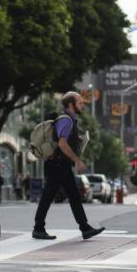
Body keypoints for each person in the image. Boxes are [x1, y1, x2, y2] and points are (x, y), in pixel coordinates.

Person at [31, 92, 105, 241]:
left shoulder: (70, 120)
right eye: (80, 103)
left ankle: (85, 228)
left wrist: (77, 140)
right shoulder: (66, 120)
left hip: (62, 164)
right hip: (57, 164)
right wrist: (77, 160)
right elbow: (62, 143)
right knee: (48, 196)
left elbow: (63, 139)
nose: (82, 105)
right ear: (71, 104)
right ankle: (38, 228)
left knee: (74, 196)